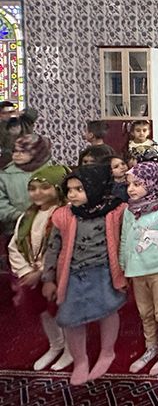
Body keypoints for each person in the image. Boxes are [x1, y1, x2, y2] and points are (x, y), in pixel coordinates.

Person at [41, 164, 128, 385]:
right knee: (71, 319)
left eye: (79, 189)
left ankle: (107, 352)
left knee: (108, 311)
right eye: (69, 190)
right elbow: (53, 248)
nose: (72, 194)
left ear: (95, 187)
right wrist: (48, 278)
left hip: (103, 272)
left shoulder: (115, 211)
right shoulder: (63, 215)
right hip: (72, 275)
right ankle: (80, 360)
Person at [120, 161, 158, 375]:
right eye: (129, 184)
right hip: (137, 271)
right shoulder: (130, 210)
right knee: (145, 312)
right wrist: (123, 266)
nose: (131, 189)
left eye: (137, 184)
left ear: (153, 184)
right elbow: (125, 239)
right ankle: (151, 347)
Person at [7, 165, 72, 372]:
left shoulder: (65, 214)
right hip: (33, 273)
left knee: (63, 312)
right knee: (44, 312)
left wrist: (43, 272)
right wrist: (26, 271)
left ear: (58, 188)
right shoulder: (26, 217)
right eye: (33, 188)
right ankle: (56, 345)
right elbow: (14, 246)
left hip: (58, 274)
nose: (37, 193)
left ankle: (71, 350)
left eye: (44, 187)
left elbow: (65, 248)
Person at [0, 133, 52, 236]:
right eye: (15, 151)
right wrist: (18, 215)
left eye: (24, 151)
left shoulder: (51, 172)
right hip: (14, 229)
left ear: (38, 152)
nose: (17, 155)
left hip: (48, 227)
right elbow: (1, 202)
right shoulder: (5, 175)